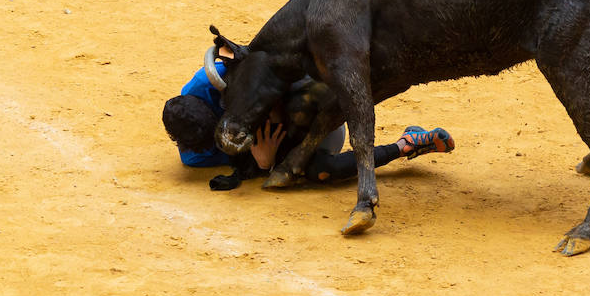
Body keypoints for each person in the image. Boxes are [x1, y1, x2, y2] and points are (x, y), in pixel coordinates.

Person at [163, 59, 454, 186]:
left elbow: (269, 66)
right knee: (322, 172)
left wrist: (273, 108)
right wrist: (264, 165)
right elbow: (248, 164)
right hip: (293, 146)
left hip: (302, 105)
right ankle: (406, 145)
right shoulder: (195, 156)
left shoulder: (209, 81)